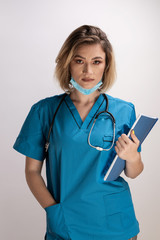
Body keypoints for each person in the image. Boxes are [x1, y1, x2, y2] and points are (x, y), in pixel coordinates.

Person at [13, 25, 144, 240]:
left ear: (106, 65)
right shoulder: (44, 111)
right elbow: (32, 172)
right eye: (79, 60)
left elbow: (133, 172)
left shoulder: (124, 111)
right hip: (67, 225)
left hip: (116, 223)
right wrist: (54, 211)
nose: (88, 71)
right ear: (68, 63)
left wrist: (134, 157)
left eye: (96, 62)